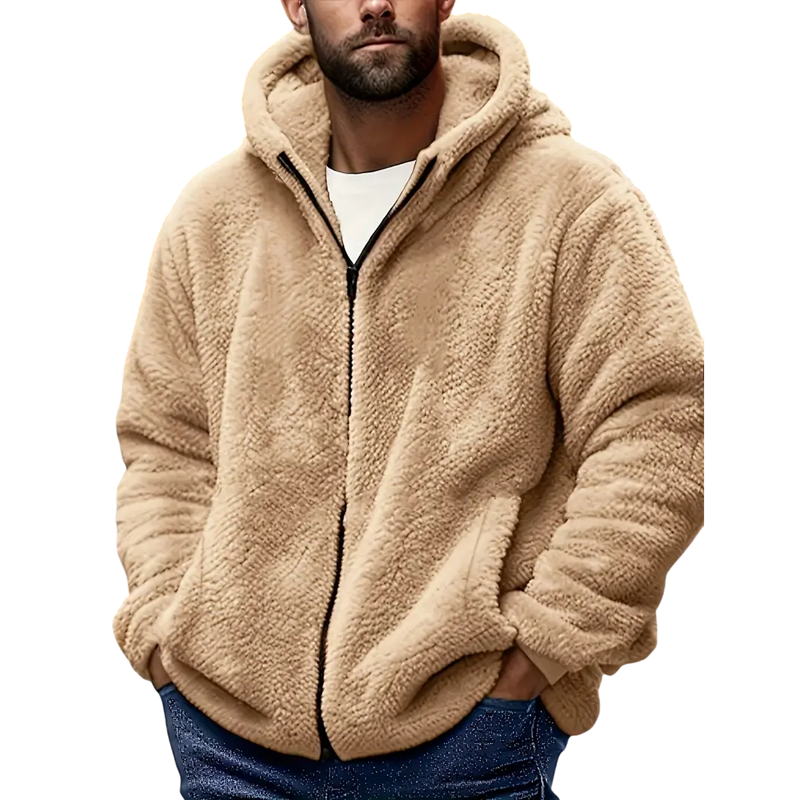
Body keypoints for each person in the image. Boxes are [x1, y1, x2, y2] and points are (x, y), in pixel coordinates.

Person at [112, 2, 704, 798]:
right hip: (231, 739)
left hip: (463, 733)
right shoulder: (214, 215)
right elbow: (166, 446)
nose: (375, 4)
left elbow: (658, 429)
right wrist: (166, 629)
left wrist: (542, 649)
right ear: (295, 6)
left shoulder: (568, 199)